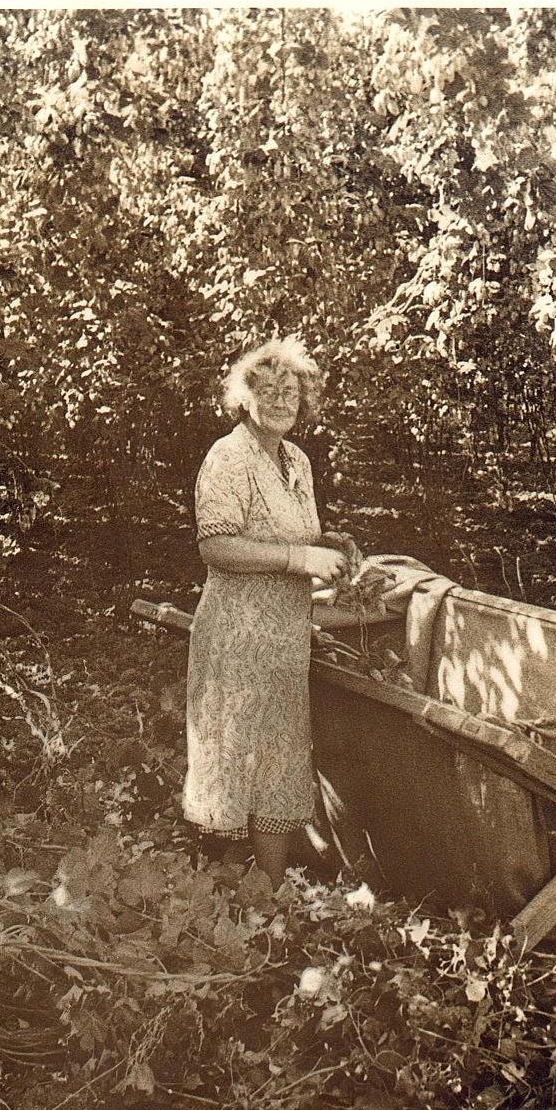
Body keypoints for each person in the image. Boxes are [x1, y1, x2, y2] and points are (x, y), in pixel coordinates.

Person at [182, 336, 348, 888]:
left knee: (279, 758)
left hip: (284, 636)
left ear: (305, 404)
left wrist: (330, 546)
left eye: (292, 393)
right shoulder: (228, 457)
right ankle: (222, 896)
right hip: (235, 634)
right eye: (269, 390)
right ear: (244, 398)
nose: (281, 401)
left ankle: (272, 899)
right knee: (234, 757)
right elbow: (217, 546)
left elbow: (294, 536)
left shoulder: (296, 460)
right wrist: (302, 556)